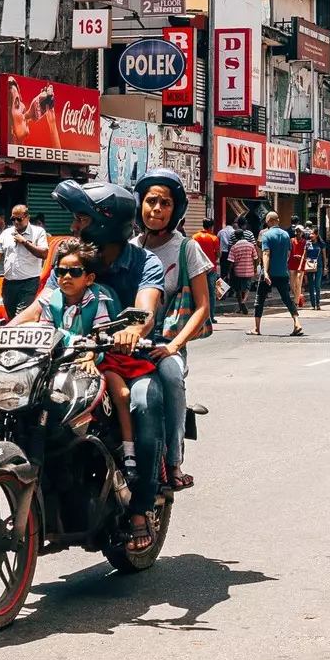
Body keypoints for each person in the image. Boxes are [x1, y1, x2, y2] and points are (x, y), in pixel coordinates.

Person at [7, 179, 169, 551]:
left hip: (127, 355)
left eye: (81, 218)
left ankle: (141, 506)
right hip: (66, 358)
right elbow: (40, 307)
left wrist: (131, 330)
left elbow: (144, 309)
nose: (75, 225)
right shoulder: (68, 256)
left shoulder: (145, 261)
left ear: (105, 222)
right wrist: (3, 329)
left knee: (142, 403)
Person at [40, 239, 140, 484]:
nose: (66, 277)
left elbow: (100, 333)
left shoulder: (98, 298)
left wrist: (91, 354)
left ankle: (128, 453)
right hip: (59, 364)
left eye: (74, 272)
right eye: (60, 271)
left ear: (89, 278)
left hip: (96, 361)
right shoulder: (50, 300)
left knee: (123, 394)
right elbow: (43, 332)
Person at [137, 169, 212, 494]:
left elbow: (202, 308)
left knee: (171, 379)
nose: (156, 209)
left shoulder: (187, 249)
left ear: (175, 209)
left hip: (167, 343)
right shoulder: (131, 247)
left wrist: (174, 346)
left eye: (164, 203)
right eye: (151, 201)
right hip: (128, 342)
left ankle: (175, 461)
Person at [0, 204, 51, 321]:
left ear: (27, 217)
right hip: (9, 284)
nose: (16, 222)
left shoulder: (38, 232)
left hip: (29, 282)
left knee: (21, 317)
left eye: (19, 219)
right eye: (13, 219)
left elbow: (44, 253)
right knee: (11, 317)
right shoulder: (6, 234)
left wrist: (25, 242)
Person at [253, 212, 305, 338]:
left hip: (269, 273)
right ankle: (297, 323)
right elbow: (288, 254)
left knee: (259, 300)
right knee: (287, 299)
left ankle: (256, 328)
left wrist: (265, 272)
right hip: (283, 272)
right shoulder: (286, 235)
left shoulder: (267, 235)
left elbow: (266, 254)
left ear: (269, 220)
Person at [226, 229, 259, 313]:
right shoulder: (251, 245)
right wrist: (255, 268)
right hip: (249, 270)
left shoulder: (234, 247)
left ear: (236, 237)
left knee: (239, 289)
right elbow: (256, 258)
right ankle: (244, 301)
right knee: (247, 288)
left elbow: (231, 262)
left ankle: (241, 306)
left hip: (238, 271)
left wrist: (229, 272)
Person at [304, 229, 326, 310]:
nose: (311, 235)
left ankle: (318, 303)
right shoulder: (307, 243)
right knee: (310, 285)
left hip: (319, 265)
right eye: (310, 234)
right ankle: (312, 304)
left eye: (312, 234)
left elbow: (324, 256)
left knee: (317, 284)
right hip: (309, 265)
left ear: (316, 235)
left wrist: (325, 267)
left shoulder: (321, 244)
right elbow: (305, 255)